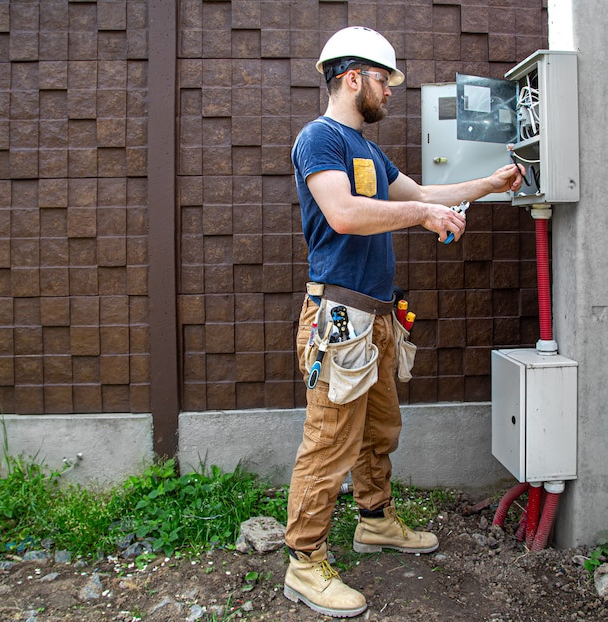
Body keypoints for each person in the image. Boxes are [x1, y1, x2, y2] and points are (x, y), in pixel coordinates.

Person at [283, 26, 525, 618]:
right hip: (339, 314)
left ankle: (374, 521)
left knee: (378, 430)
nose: (391, 91)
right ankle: (305, 563)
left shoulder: (367, 148)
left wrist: (488, 186)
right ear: (351, 77)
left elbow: (424, 191)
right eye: (383, 80)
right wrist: (421, 213)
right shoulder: (319, 140)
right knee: (329, 441)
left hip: (378, 315)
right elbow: (341, 214)